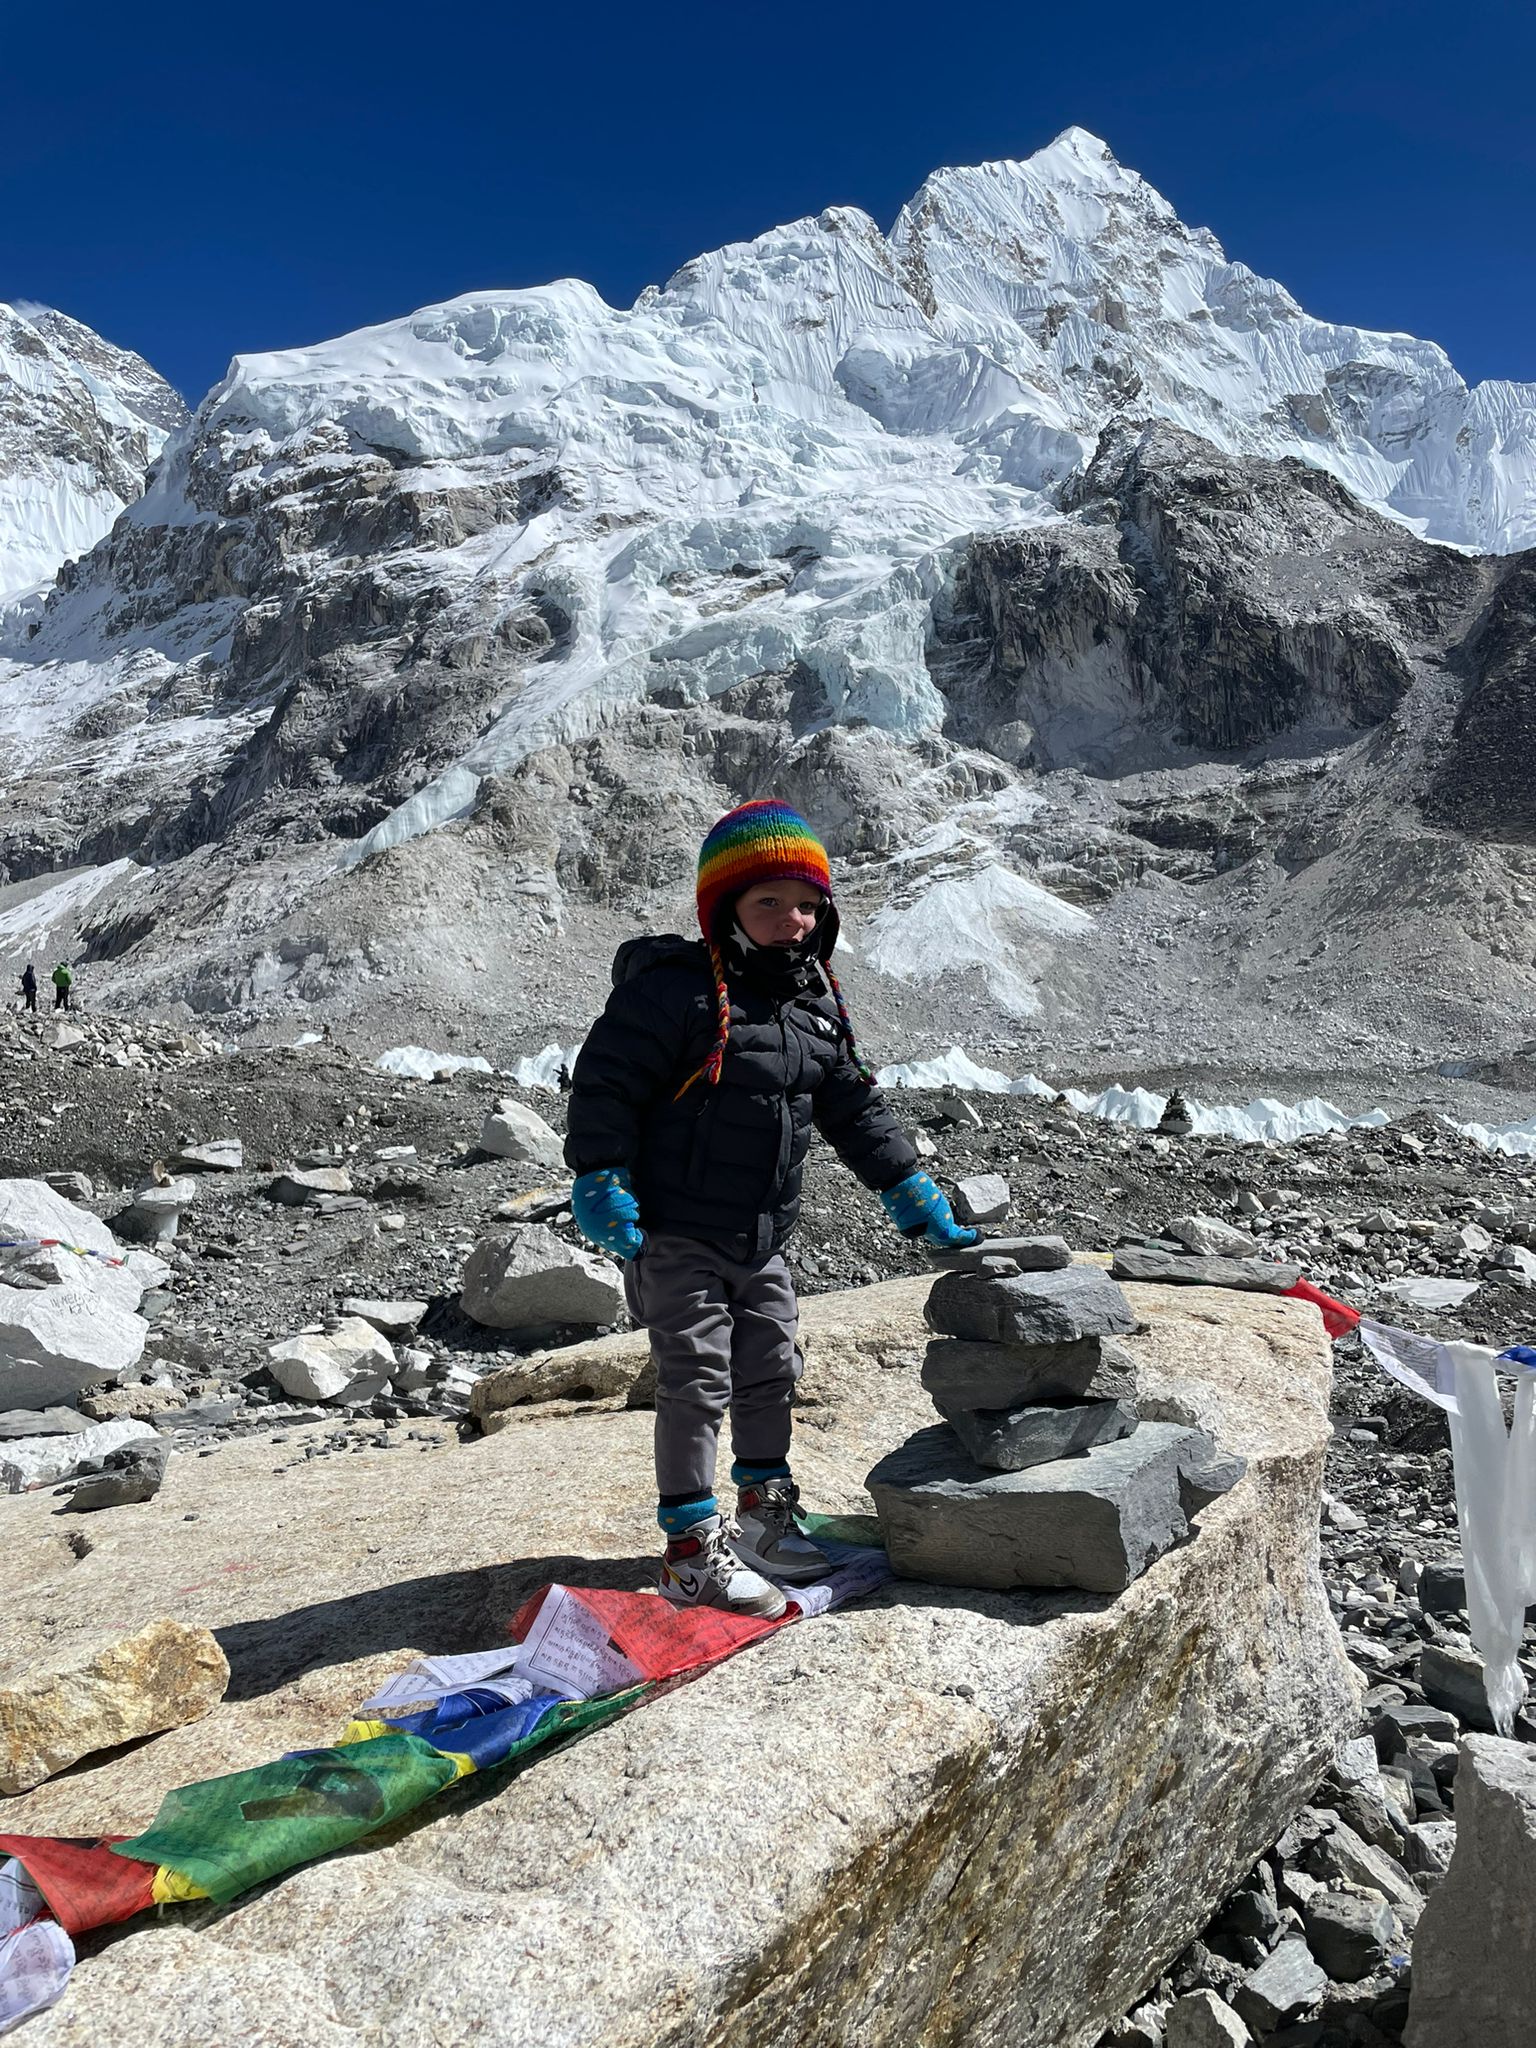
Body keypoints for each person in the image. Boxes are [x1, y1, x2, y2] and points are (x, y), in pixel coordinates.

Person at [565, 798, 978, 1618]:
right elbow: (607, 1083)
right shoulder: (672, 995)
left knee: (771, 1371)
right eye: (770, 903)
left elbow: (854, 1110)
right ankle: (689, 1554)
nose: (793, 920)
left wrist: (908, 1188)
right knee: (697, 1378)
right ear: (725, 908)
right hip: (677, 1229)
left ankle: (762, 1519)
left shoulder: (814, 1003)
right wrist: (600, 1174)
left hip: (762, 1239)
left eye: (807, 903)